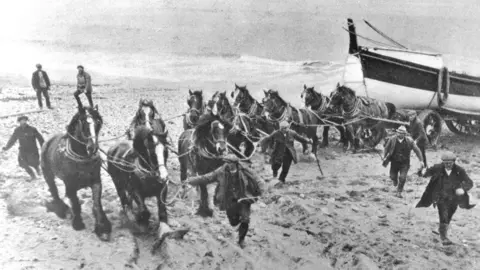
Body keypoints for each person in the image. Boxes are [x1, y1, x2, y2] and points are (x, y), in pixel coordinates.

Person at [186, 155, 264, 248]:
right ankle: (238, 223)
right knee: (233, 222)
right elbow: (207, 178)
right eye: (227, 162)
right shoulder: (221, 171)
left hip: (243, 198)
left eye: (230, 162)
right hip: (229, 200)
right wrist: (191, 180)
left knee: (245, 219)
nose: (228, 164)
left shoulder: (244, 169)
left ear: (235, 163)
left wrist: (262, 190)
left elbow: (257, 179)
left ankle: (241, 239)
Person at [416, 152, 475, 245]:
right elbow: (426, 173)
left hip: (454, 198)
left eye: (450, 163)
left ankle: (441, 229)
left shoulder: (460, 170)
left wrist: (462, 189)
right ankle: (444, 237)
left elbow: (469, 182)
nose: (447, 165)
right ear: (442, 162)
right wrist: (421, 172)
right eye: (445, 163)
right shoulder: (437, 168)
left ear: (454, 162)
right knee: (443, 214)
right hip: (440, 196)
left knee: (449, 215)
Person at [382, 125, 424, 198]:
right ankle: (395, 180)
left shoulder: (410, 141)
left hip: (405, 163)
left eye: (401, 133)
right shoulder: (392, 139)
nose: (399, 134)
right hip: (394, 162)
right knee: (392, 176)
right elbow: (386, 148)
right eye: (398, 132)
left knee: (402, 177)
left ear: (405, 134)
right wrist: (384, 156)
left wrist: (421, 161)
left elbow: (417, 150)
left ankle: (399, 192)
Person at [2, 116, 45, 180]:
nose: (23, 122)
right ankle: (33, 176)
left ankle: (39, 172)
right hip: (23, 150)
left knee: (34, 163)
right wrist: (7, 147)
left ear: (26, 121)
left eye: (25, 120)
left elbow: (40, 139)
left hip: (32, 150)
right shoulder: (17, 130)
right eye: (22, 121)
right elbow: (12, 139)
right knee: (23, 163)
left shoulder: (32, 129)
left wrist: (44, 147)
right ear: (19, 122)